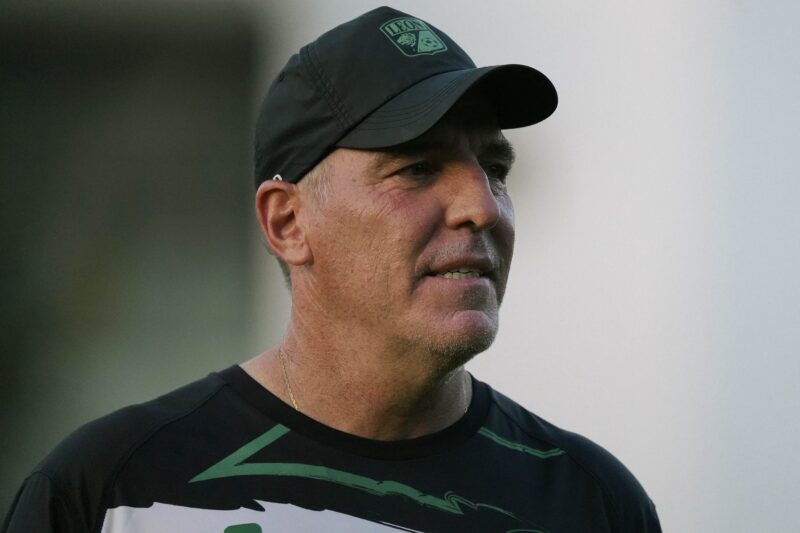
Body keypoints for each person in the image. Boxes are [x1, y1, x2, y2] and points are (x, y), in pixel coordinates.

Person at [2, 7, 661, 532]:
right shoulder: (110, 492)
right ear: (288, 223)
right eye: (418, 168)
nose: (482, 207)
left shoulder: (592, 503)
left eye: (495, 168)